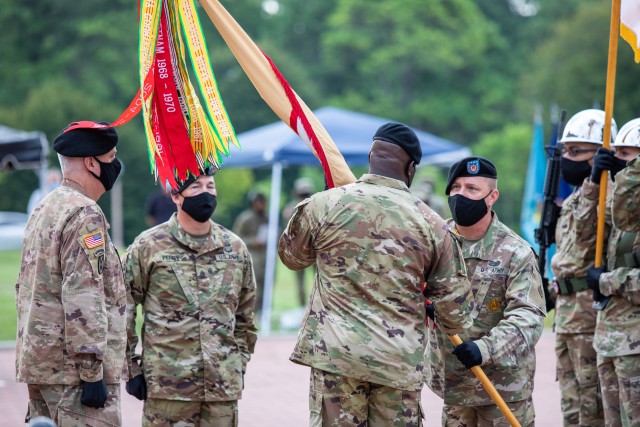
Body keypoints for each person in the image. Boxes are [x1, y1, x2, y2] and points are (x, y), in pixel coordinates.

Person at [278, 122, 473, 426]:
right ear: (411, 169)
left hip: (337, 358)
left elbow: (292, 258)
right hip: (398, 362)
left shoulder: (323, 205)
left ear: (370, 157)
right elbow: (456, 312)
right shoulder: (433, 224)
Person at [123, 167, 258, 427]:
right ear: (176, 195)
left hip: (221, 391)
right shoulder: (148, 246)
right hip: (168, 390)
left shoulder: (235, 247)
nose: (205, 193)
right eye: (196, 187)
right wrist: (131, 369)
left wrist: (238, 364)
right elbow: (123, 310)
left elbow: (246, 315)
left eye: (210, 186)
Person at [15, 122, 128, 426]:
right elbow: (83, 296)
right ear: (92, 163)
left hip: (43, 363)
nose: (114, 165)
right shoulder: (84, 214)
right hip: (73, 375)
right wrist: (92, 371)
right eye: (111, 157)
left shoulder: (45, 208)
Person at [424, 156, 546, 427]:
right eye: (455, 188)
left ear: (492, 196)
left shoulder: (516, 252)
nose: (461, 195)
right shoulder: (433, 243)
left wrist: (485, 348)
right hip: (454, 391)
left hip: (502, 389)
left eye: (471, 189)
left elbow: (529, 316)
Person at [550, 109, 617, 426]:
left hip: (589, 315)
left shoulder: (609, 195)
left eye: (576, 152)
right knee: (572, 408)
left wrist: (595, 182)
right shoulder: (577, 196)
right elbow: (566, 257)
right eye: (565, 151)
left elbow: (589, 234)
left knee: (593, 409)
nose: (567, 158)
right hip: (566, 316)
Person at [585, 118, 640, 426]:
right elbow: (583, 234)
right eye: (617, 156)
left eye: (628, 158)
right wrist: (596, 180)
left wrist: (607, 281)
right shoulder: (622, 214)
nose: (620, 166)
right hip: (609, 339)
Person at [232, 191, 268, 313]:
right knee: (254, 285)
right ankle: (252, 311)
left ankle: (263, 311)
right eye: (258, 202)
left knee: (266, 284)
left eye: (262, 202)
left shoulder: (267, 218)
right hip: (252, 256)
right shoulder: (245, 219)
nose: (260, 205)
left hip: (266, 256)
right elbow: (236, 238)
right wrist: (253, 241)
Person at [282, 177, 315, 306]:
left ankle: (310, 306)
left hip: (310, 250)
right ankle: (303, 306)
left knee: (315, 279)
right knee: (301, 281)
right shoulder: (292, 208)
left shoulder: (293, 208)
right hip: (302, 250)